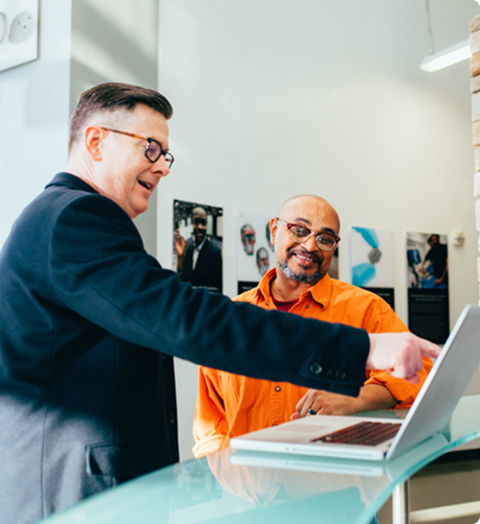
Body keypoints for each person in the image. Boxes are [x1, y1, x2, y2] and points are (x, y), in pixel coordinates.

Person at [0, 83, 439, 524]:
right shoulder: (75, 218)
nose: (162, 167)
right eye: (151, 148)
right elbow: (186, 320)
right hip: (76, 494)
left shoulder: (67, 219)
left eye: (165, 155)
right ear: (96, 141)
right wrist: (360, 349)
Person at [193, 195, 433, 458]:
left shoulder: (367, 309)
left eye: (325, 238)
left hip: (333, 486)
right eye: (299, 230)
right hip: (247, 489)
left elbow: (420, 373)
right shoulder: (232, 318)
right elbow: (210, 423)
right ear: (274, 230)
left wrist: (355, 399)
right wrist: (225, 480)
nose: (310, 246)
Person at [174, 206, 223, 293]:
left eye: (203, 223)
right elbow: (183, 281)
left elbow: (218, 288)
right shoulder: (189, 250)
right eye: (196, 222)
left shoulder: (214, 253)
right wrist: (180, 256)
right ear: (192, 224)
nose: (200, 227)